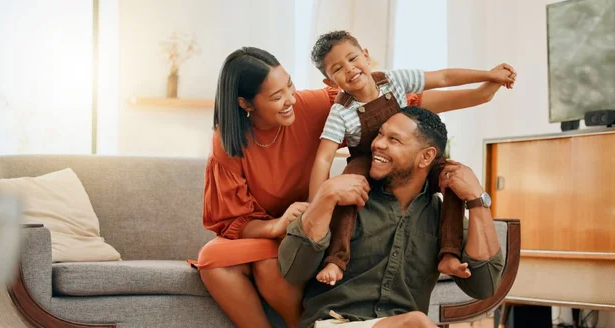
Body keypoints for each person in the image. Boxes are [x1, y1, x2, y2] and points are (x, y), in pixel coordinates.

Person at [196, 46, 510, 328]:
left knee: (268, 264)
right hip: (290, 224)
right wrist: (312, 205)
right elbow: (232, 220)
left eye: (289, 85)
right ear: (245, 103)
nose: (290, 99)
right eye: (277, 96)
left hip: (308, 221)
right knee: (215, 259)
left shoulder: (317, 105)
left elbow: (396, 103)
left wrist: (484, 91)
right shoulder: (230, 143)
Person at [307, 30, 515, 286]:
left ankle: (448, 253)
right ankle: (336, 259)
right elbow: (323, 159)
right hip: (367, 158)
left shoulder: (394, 80)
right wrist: (315, 204)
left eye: (352, 58)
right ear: (330, 82)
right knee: (347, 192)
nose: (349, 69)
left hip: (410, 149)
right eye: (337, 69)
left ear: (366, 55)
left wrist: (489, 75)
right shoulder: (341, 111)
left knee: (453, 177)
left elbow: (444, 77)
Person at [279, 106, 504, 328]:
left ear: (426, 157)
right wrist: (325, 196)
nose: (378, 144)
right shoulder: (345, 198)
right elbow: (293, 270)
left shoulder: (443, 220)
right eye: (380, 134)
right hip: (333, 324)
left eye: (394, 140)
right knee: (415, 322)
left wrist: (477, 200)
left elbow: (484, 286)